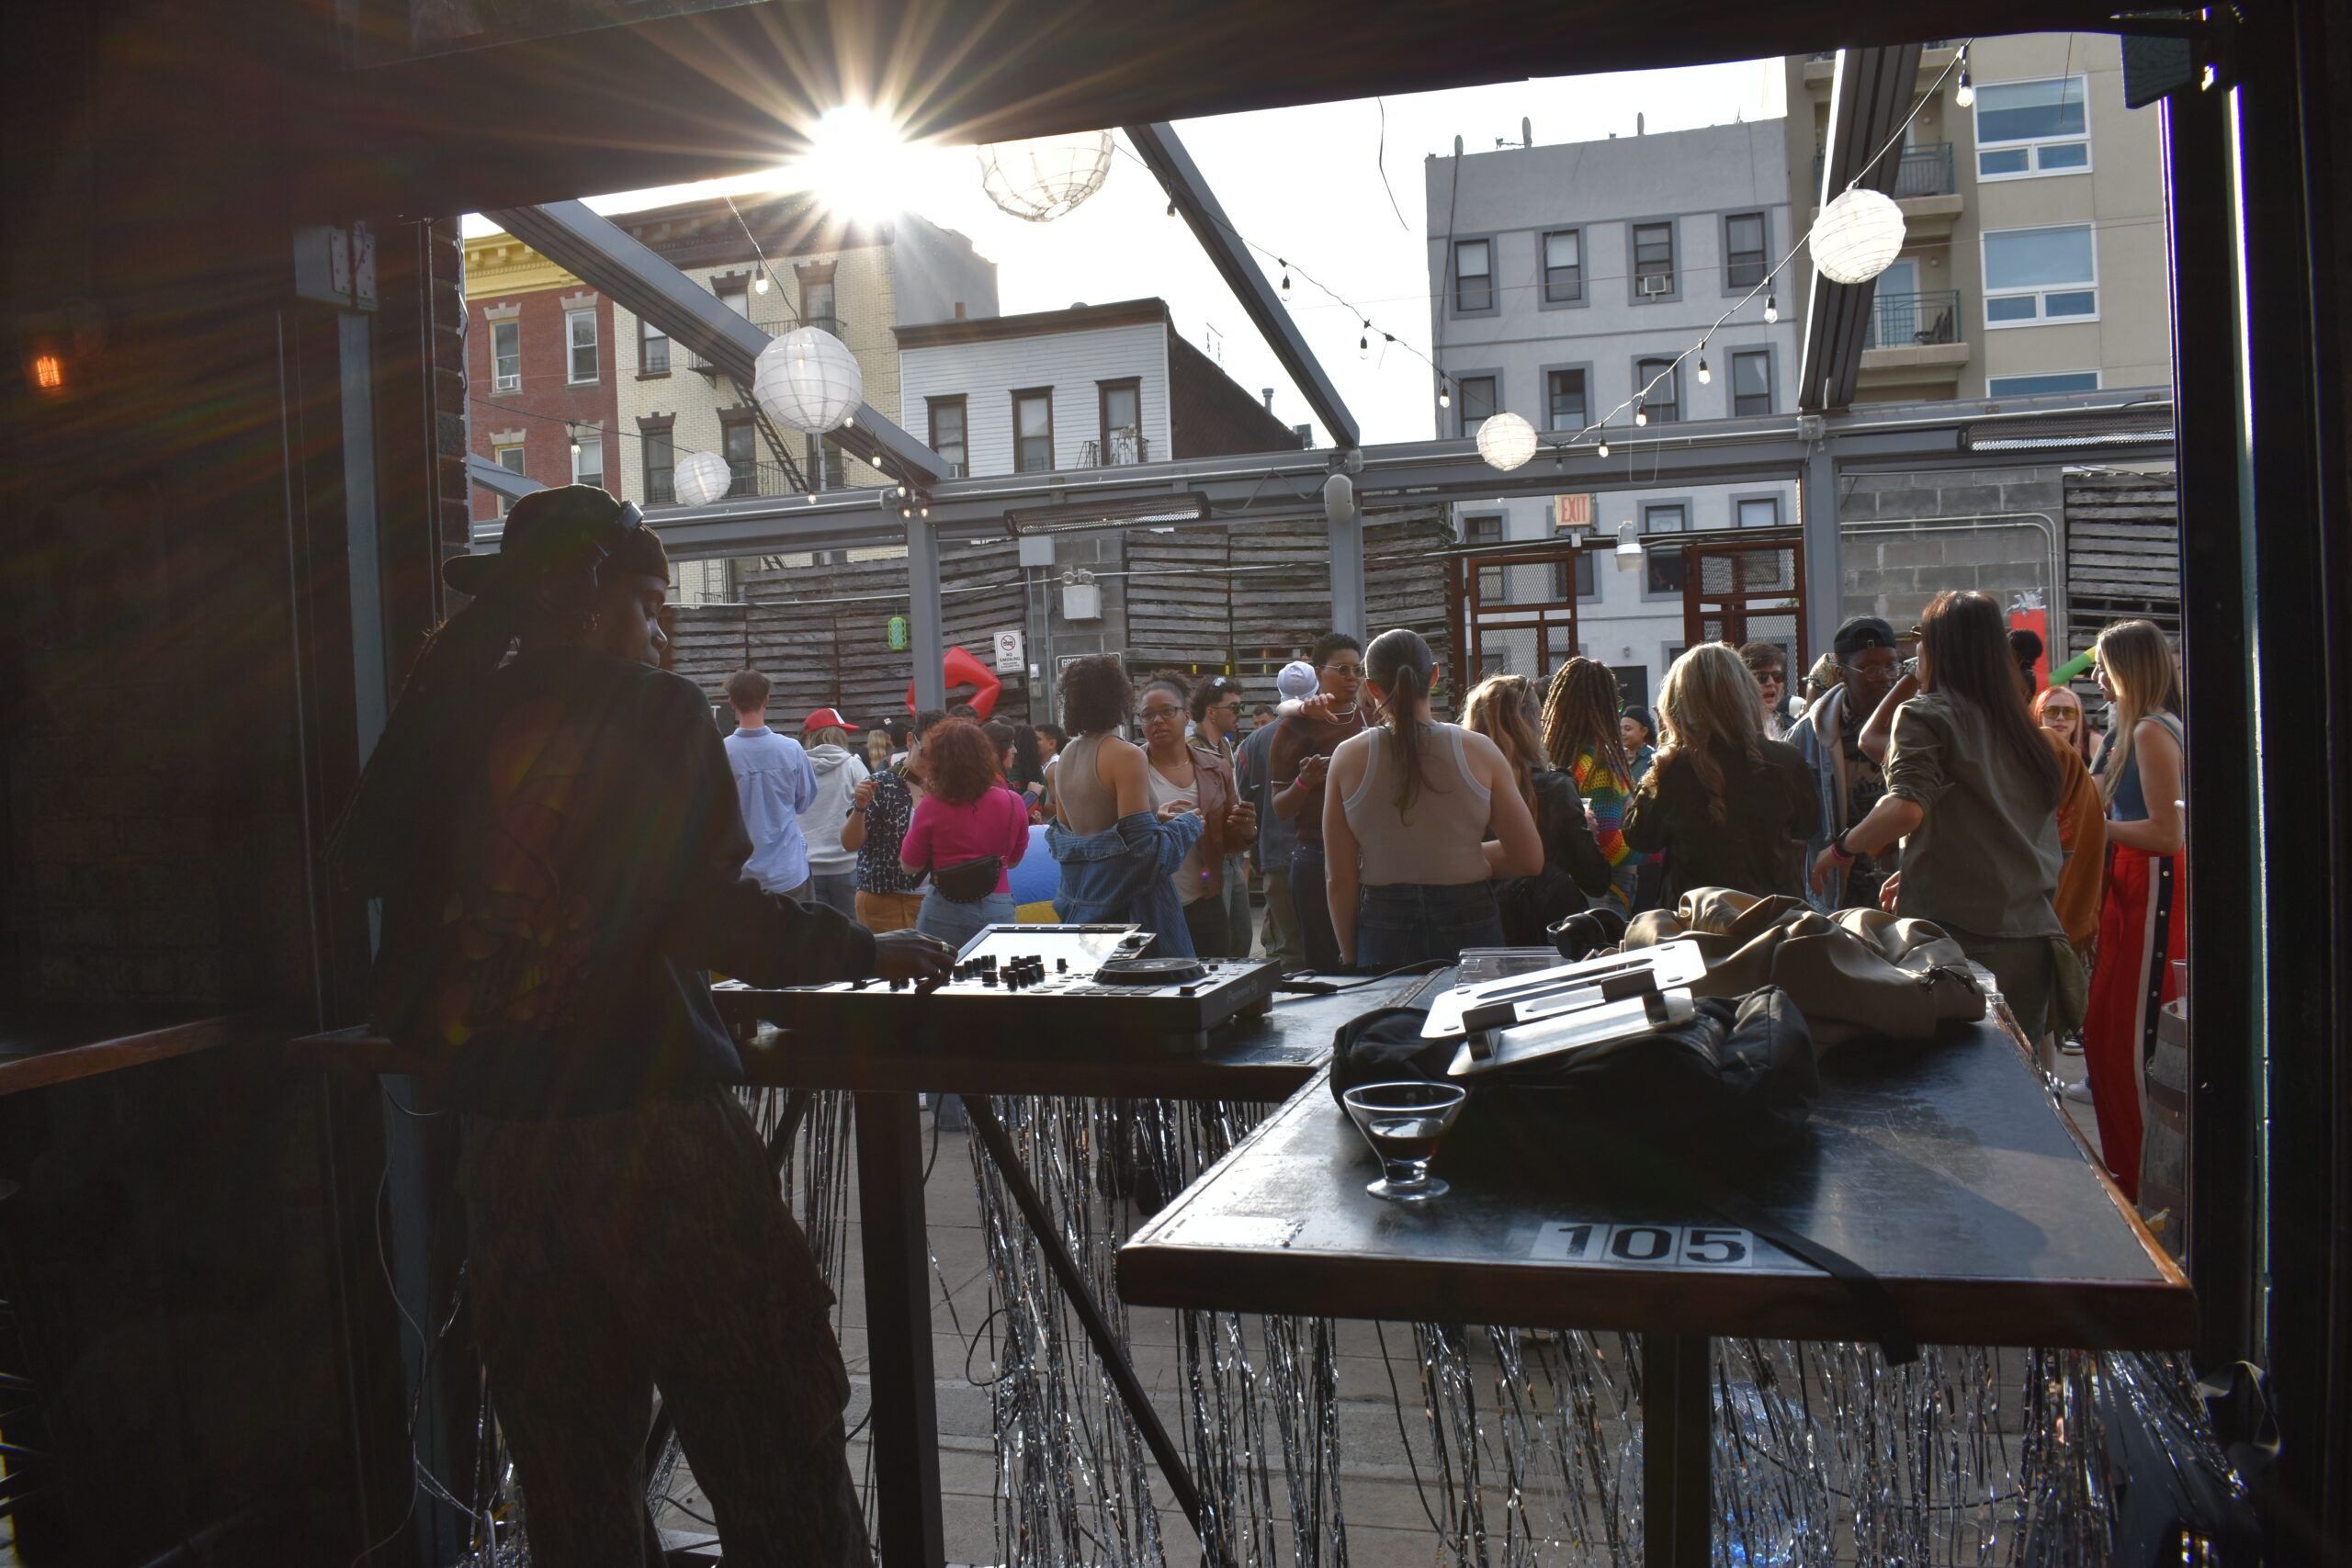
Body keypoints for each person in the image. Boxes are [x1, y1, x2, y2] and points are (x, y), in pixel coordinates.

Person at [331, 486, 949, 1566]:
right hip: (653, 1133)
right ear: (588, 590)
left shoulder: (458, 713)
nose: (661, 631)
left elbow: (365, 859)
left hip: (506, 1147)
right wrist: (859, 951)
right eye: (650, 604)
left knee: (571, 1484)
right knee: (774, 1447)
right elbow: (706, 916)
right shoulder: (655, 711)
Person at [1809, 591, 2072, 1039]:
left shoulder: (1926, 714)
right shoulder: (2024, 727)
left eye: (1921, 639)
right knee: (2017, 1071)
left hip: (1960, 944)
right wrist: (1920, 867)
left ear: (1938, 648)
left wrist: (1839, 849)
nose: (1915, 651)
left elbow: (1905, 807)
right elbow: (1992, 825)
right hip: (2033, 937)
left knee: (1962, 1072)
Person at [1324, 631, 1543, 966]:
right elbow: (1529, 859)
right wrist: (1464, 855)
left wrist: (1351, 956)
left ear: (1372, 688)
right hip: (1469, 911)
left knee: (1390, 1003)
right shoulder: (1479, 751)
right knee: (1472, 1002)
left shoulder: (1348, 757)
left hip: (1385, 920)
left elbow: (1339, 878)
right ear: (1434, 675)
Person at [2079, 621, 2188, 1198]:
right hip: (2133, 884)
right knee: (2106, 1032)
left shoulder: (2149, 730)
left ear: (2127, 668)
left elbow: (2168, 834)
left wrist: (2093, 832)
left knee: (2131, 1038)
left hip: (2153, 886)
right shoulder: (2134, 725)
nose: (2096, 675)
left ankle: (2148, 1183)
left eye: (2103, 665)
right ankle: (2131, 1172)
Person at [1623, 644, 1820, 902]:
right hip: (1772, 912)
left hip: (1698, 915)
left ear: (1678, 701)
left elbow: (1640, 838)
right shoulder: (1785, 759)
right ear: (1746, 693)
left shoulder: (1672, 767)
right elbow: (1807, 826)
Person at [1046, 654, 1205, 953]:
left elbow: (1076, 841)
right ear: (1119, 697)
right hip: (1135, 911)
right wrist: (1188, 825)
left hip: (1083, 905)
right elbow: (1143, 852)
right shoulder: (1126, 755)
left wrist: (1153, 819)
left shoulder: (1065, 757)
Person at [1461, 673, 1611, 943]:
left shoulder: (1461, 789)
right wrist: (1585, 830)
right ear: (1530, 723)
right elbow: (1596, 880)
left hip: (1479, 929)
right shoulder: (1554, 789)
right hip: (1547, 932)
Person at [1787, 615, 1903, 913]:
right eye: (1870, 668)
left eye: (1892, 665)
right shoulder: (1809, 735)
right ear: (1841, 673)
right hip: (1838, 892)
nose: (1885, 677)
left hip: (1904, 885)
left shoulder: (1916, 724)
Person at [1269, 634, 1370, 972]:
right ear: (1318, 672)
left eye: (1357, 669)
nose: (1352, 677)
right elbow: (1281, 807)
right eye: (1342, 669)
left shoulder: (1371, 720)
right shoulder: (1294, 728)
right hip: (1317, 857)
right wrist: (1304, 782)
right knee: (1328, 964)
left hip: (1371, 856)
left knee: (1371, 960)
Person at [1136, 671, 1253, 956]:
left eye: (1167, 711)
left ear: (1186, 715)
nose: (1157, 720)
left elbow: (1229, 841)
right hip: (1149, 907)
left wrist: (1246, 829)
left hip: (1204, 902)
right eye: (1148, 714)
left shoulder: (1216, 767)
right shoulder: (1130, 768)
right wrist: (1153, 824)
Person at [900, 718, 1030, 953]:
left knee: (936, 970)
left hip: (945, 905)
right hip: (998, 903)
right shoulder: (1013, 801)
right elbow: (1013, 861)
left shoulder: (930, 805)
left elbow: (909, 866)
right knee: (998, 973)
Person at [1540, 657, 1639, 914]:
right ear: (1606, 707)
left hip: (1571, 882)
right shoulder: (1599, 763)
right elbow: (1608, 846)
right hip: (1607, 892)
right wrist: (1655, 848)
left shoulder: (1560, 756)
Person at [843, 707, 943, 933]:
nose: (934, 762)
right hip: (883, 899)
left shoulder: (946, 788)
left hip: (935, 900)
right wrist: (860, 808)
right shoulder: (882, 783)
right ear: (910, 740)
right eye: (927, 753)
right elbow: (849, 843)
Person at [723, 669, 819, 901]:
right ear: (766, 700)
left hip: (738, 874)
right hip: (788, 871)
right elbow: (803, 802)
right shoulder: (791, 749)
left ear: (732, 703)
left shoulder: (720, 751)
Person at [1236, 678, 1306, 969]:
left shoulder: (1253, 743)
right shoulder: (1332, 732)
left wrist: (1258, 845)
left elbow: (1244, 802)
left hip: (1277, 855)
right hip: (1327, 857)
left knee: (1286, 951)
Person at [1190, 673, 1253, 953]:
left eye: (1241, 706)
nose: (1240, 713)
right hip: (1210, 856)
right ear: (1211, 712)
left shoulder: (1225, 745)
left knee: (1241, 936)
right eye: (1234, 707)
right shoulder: (1192, 749)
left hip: (1231, 853)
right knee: (1221, 940)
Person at [796, 707, 868, 919]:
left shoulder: (797, 768)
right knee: (854, 932)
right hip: (848, 865)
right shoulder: (853, 766)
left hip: (808, 869)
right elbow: (870, 810)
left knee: (819, 934)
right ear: (837, 735)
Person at [1739, 640, 1793, 739]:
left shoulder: (1792, 727)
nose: (1771, 683)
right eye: (1760, 677)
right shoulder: (1732, 730)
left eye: (1777, 676)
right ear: (1741, 681)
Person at [2034, 683, 2094, 763]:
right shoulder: (2028, 747)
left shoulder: (2093, 744)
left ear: (2078, 717)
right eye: (2052, 711)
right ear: (2040, 715)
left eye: (2069, 712)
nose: (2060, 717)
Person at [1620, 705, 1657, 783]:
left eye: (1627, 729)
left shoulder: (1653, 758)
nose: (1622, 733)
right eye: (1620, 729)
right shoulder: (1617, 757)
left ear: (1644, 731)